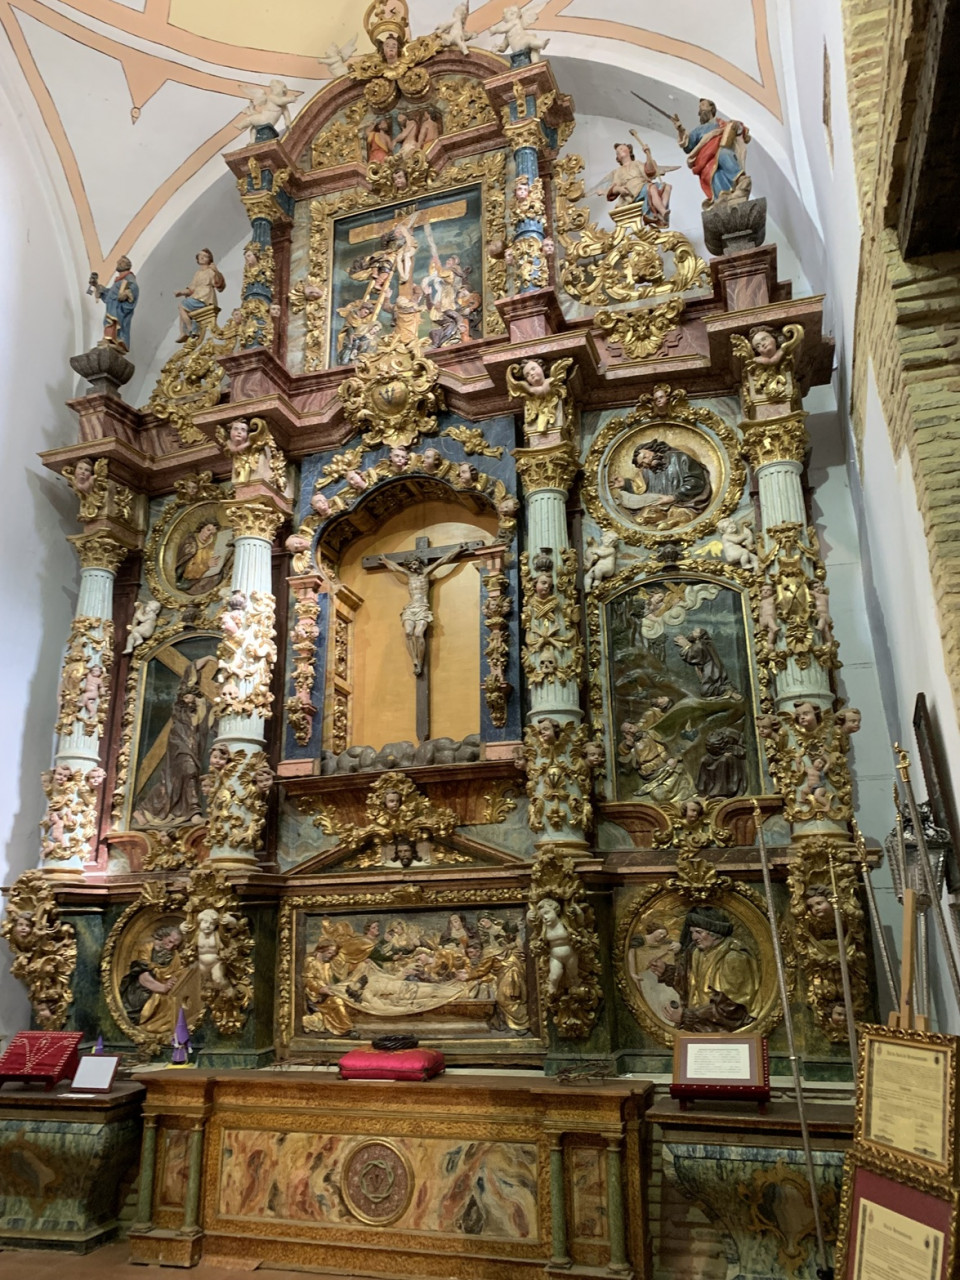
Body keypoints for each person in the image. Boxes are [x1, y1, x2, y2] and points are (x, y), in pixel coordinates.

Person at [649, 905, 761, 1032]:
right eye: (692, 932)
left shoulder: (733, 957)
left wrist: (687, 1016)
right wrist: (666, 971)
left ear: (714, 933)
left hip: (722, 1031)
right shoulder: (696, 951)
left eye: (698, 932)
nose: (694, 937)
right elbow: (689, 984)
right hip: (697, 1028)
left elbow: (732, 1007)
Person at [671, 98, 750, 207]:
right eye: (699, 108)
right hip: (705, 160)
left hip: (719, 151)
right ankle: (723, 197)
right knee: (715, 176)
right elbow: (688, 146)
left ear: (711, 108)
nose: (701, 109)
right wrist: (680, 130)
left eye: (703, 105)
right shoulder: (698, 130)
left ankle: (741, 180)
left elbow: (739, 129)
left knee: (724, 154)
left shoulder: (721, 124)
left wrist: (737, 126)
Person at [611, 439, 712, 524]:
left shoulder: (680, 458)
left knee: (682, 514)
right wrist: (626, 484)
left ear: (654, 450)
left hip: (683, 504)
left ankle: (671, 522)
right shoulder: (646, 471)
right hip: (657, 509)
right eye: (642, 464)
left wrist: (674, 497)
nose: (646, 462)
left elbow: (695, 481)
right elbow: (640, 489)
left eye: (645, 456)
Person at [88, 255, 139, 353]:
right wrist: (97, 286)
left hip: (119, 308)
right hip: (112, 306)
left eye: (121, 263)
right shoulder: (119, 280)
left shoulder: (129, 278)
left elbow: (134, 289)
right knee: (109, 322)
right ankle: (109, 340)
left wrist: (126, 294)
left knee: (114, 322)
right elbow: (109, 294)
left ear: (126, 265)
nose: (118, 264)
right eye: (118, 262)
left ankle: (114, 341)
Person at [175, 248, 226, 342]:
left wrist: (217, 271)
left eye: (205, 256)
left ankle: (190, 329)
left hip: (205, 298)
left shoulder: (211, 271)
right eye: (200, 256)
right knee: (183, 309)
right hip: (196, 296)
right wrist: (181, 292)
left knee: (181, 306)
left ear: (209, 259)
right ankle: (188, 329)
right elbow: (191, 289)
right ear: (197, 259)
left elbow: (219, 285)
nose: (202, 257)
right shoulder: (198, 273)